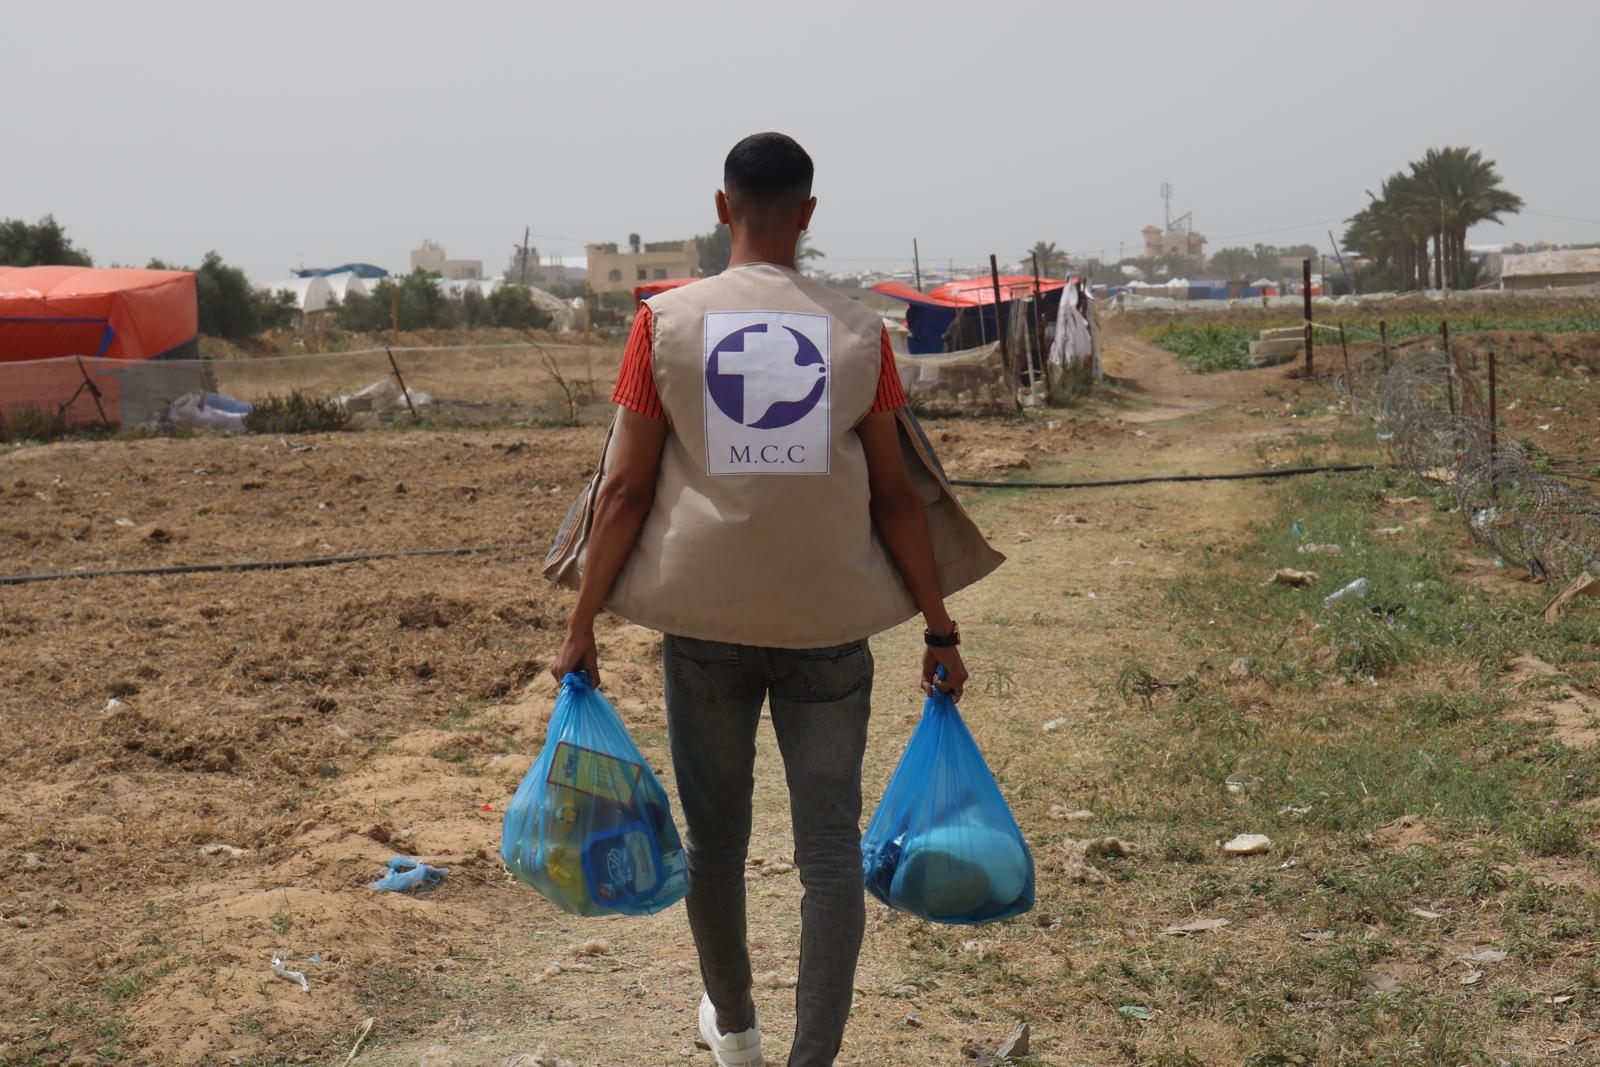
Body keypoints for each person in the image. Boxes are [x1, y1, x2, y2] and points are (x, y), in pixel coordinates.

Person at [545, 132, 1002, 1067]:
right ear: (808, 215)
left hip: (702, 624)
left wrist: (579, 620)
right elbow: (894, 494)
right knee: (829, 850)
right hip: (828, 627)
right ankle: (812, 1060)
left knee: (716, 842)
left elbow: (624, 492)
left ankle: (738, 1033)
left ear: (721, 210)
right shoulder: (861, 332)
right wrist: (940, 625)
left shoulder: (661, 326)